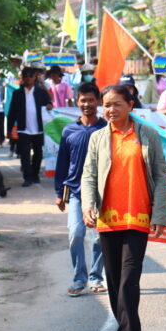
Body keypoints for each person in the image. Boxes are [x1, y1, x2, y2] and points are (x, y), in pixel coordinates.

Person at [81, 84, 166, 331]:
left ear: (130, 105)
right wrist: (88, 205)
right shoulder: (97, 138)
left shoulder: (147, 134)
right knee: (114, 279)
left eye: (117, 104)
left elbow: (160, 174)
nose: (110, 109)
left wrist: (160, 213)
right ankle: (134, 329)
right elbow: (89, 175)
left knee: (129, 278)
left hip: (138, 216)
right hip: (108, 218)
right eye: (106, 105)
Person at [55, 82, 107, 297]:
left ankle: (96, 277)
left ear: (98, 102)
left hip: (102, 192)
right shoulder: (69, 130)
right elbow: (62, 164)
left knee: (100, 237)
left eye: (91, 100)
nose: (87, 104)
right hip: (76, 192)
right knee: (76, 234)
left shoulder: (107, 129)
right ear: (77, 102)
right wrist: (59, 193)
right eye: (83, 100)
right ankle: (79, 279)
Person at [8, 66, 53, 187]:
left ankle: (35, 174)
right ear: (22, 78)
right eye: (25, 76)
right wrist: (9, 129)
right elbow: (12, 112)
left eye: (31, 76)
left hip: (38, 128)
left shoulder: (41, 92)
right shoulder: (17, 93)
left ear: (35, 78)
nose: (28, 78)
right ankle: (27, 177)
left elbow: (49, 102)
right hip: (23, 128)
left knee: (38, 153)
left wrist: (49, 105)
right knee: (24, 153)